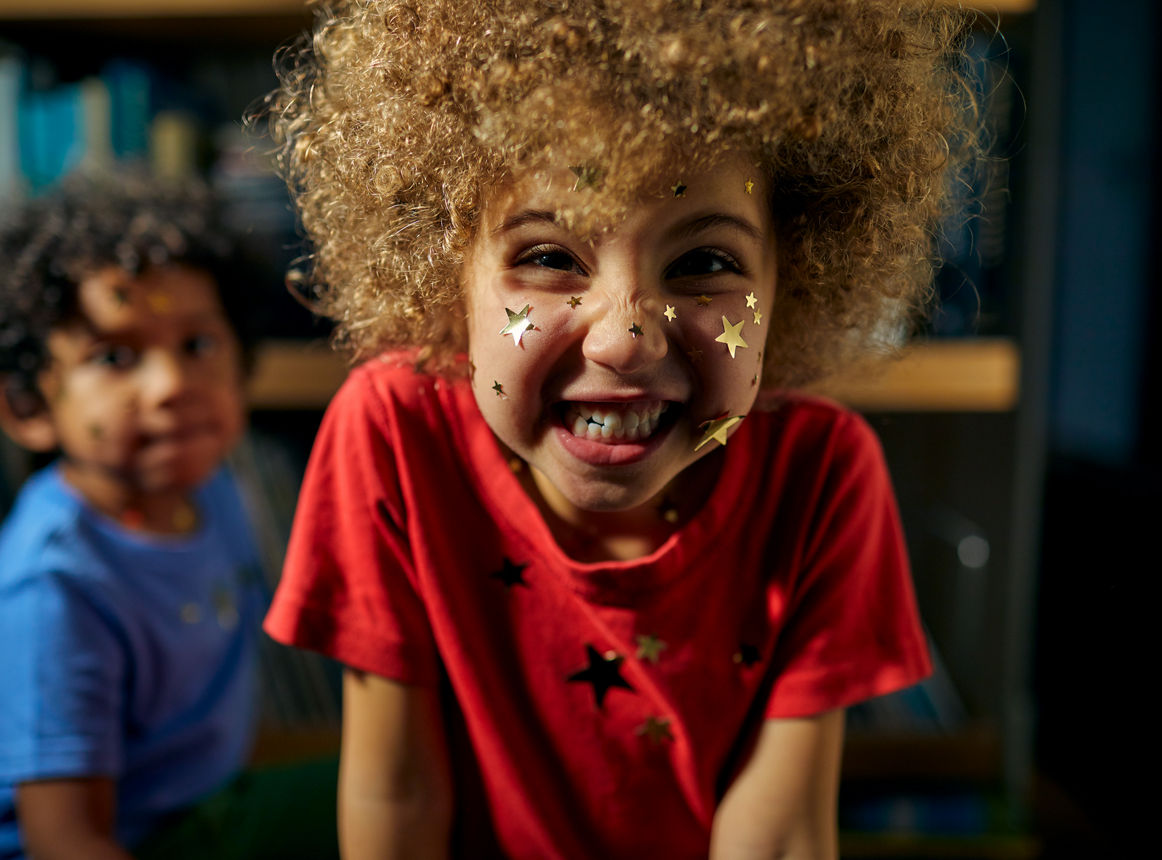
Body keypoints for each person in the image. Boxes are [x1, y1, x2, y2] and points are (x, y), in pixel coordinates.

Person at [262, 1, 981, 857]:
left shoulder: (820, 473)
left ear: (791, 278)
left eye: (704, 264)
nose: (624, 339)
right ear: (445, 266)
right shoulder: (394, 432)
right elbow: (398, 797)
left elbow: (780, 833)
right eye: (549, 257)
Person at [0, 173, 335, 859]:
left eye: (198, 345)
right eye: (115, 357)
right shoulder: (50, 593)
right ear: (29, 406)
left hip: (197, 813)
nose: (171, 385)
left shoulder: (210, 492)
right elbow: (64, 842)